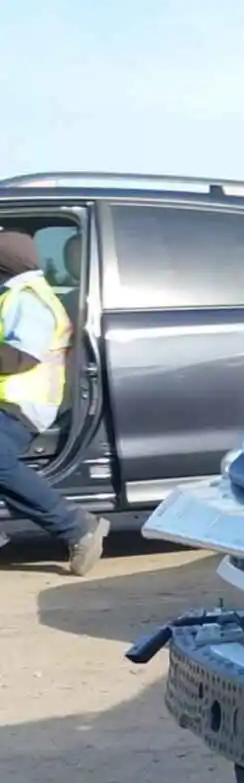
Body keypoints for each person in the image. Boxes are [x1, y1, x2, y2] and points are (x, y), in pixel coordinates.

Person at [0, 229, 105, 574]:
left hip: (21, 405)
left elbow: (21, 359)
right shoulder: (10, 294)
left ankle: (77, 527)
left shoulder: (28, 299)